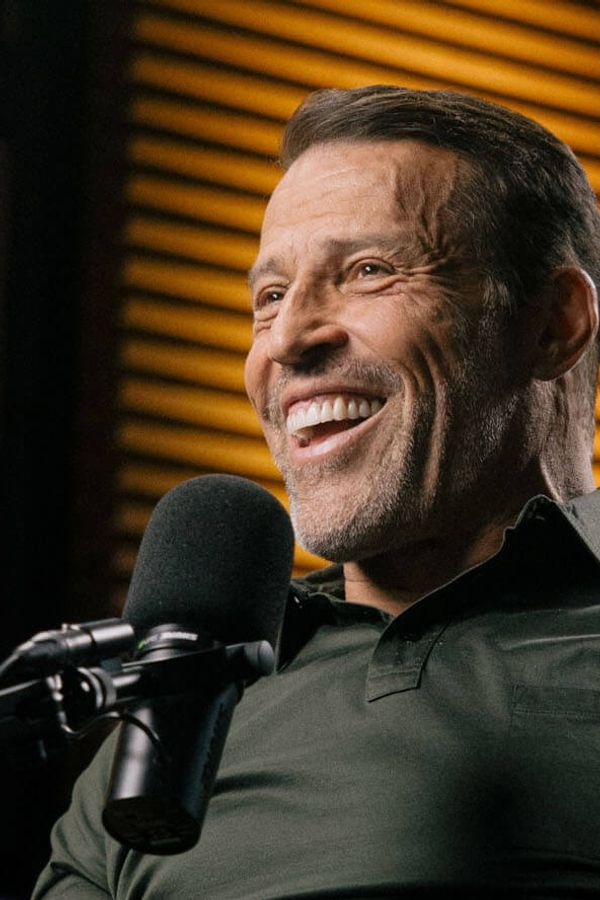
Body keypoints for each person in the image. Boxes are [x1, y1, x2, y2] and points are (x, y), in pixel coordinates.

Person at [34, 86, 600, 897]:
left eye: (369, 271)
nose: (289, 340)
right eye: (269, 298)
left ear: (554, 324)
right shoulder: (170, 734)